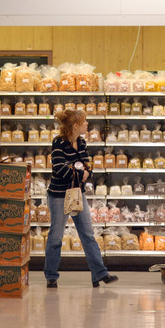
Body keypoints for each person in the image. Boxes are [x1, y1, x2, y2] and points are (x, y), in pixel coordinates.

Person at [44, 109, 118, 288]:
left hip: (77, 194)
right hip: (59, 196)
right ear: (75, 125)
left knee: (88, 235)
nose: (88, 125)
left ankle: (99, 274)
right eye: (85, 122)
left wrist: (81, 172)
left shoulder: (82, 142)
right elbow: (59, 170)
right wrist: (80, 173)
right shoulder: (58, 143)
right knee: (56, 237)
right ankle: (51, 276)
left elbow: (88, 168)